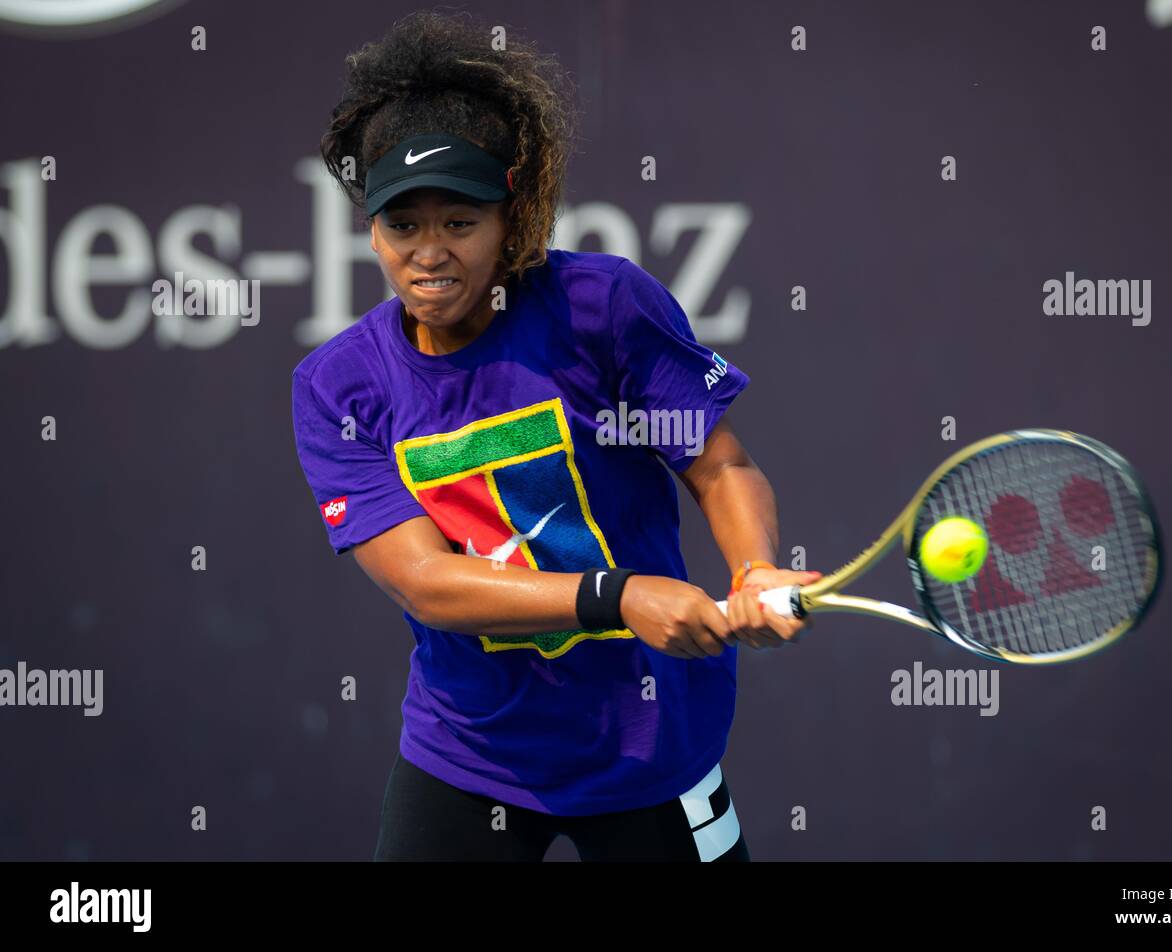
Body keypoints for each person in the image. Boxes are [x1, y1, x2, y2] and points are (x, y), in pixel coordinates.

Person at [292, 11, 819, 862]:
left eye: (460, 223)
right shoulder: (336, 385)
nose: (429, 253)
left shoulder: (604, 307)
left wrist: (753, 566)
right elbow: (426, 584)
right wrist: (621, 596)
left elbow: (720, 466)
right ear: (371, 229)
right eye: (403, 225)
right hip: (468, 759)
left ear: (515, 217)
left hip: (652, 747)